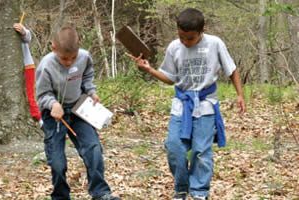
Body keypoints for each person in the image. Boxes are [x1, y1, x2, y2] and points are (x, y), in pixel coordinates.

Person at [134, 8, 246, 200]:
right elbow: (170, 78)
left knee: (202, 151)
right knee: (174, 147)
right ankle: (181, 187)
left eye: (190, 39)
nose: (185, 42)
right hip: (182, 105)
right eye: (181, 37)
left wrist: (240, 95)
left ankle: (199, 192)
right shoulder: (174, 48)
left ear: (202, 31)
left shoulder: (215, 44)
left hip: (206, 105)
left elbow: (232, 70)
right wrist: (149, 69)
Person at [36, 26, 121, 200]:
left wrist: (91, 91)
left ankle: (100, 192)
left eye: (73, 58)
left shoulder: (84, 57)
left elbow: (87, 75)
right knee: (58, 161)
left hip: (78, 110)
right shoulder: (46, 65)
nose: (69, 62)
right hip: (54, 115)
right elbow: (42, 94)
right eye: (64, 58)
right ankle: (60, 196)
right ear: (54, 49)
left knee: (93, 149)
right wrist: (52, 104)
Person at [13, 22, 42, 121]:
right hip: (11, 68)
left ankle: (37, 116)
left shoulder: (17, 25)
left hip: (27, 65)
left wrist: (23, 31)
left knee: (29, 94)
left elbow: (28, 37)